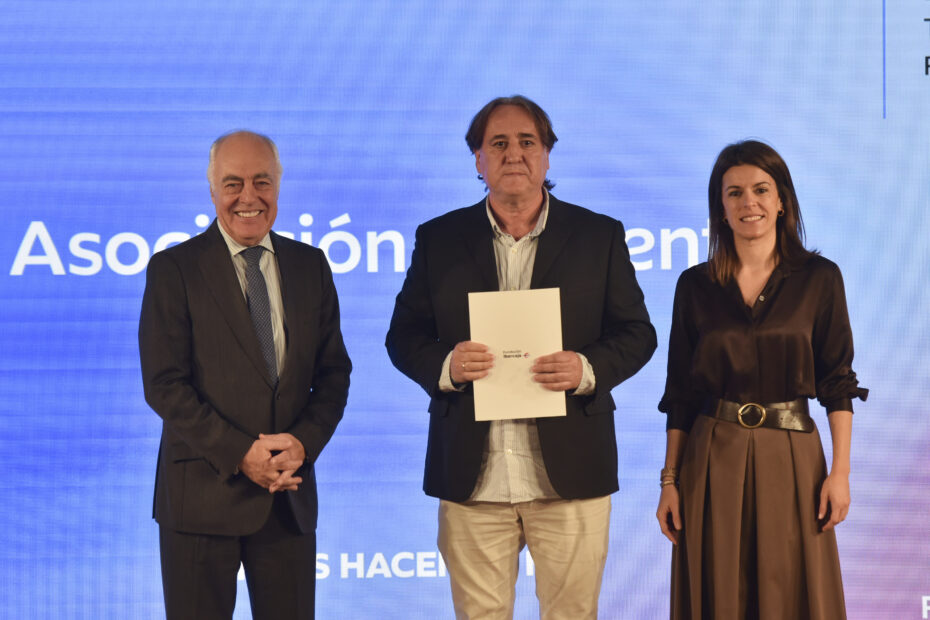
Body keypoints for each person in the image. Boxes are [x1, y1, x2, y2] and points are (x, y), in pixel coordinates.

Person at [385, 95, 656, 619]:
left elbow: (637, 334)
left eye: (527, 141)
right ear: (478, 159)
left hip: (571, 474)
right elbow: (403, 336)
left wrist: (587, 369)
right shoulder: (438, 239)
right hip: (473, 477)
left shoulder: (598, 235)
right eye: (499, 143)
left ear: (547, 154)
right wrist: (445, 366)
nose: (514, 154)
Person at [139, 130, 351, 620]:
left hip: (287, 499)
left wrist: (303, 444)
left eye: (262, 181)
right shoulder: (174, 269)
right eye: (233, 183)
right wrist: (241, 453)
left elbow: (334, 374)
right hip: (200, 500)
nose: (248, 197)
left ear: (279, 185)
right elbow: (164, 384)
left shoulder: (311, 266)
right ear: (212, 189)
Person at [655, 140, 868, 619]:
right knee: (718, 592)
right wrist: (670, 481)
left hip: (793, 455)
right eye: (734, 193)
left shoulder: (820, 278)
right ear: (721, 207)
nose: (748, 202)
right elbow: (681, 394)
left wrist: (840, 473)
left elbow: (837, 381)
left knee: (793, 590)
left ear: (781, 200)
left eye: (760, 189)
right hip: (711, 457)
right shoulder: (694, 285)